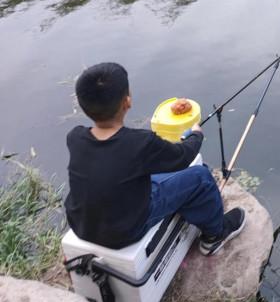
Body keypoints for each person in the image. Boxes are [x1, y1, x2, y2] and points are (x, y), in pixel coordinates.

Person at [65, 62, 245, 255]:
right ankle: (214, 236)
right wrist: (195, 135)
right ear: (127, 102)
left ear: (84, 106)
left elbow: (114, 158)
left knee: (147, 174)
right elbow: (183, 157)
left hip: (82, 226)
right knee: (201, 177)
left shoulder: (75, 137)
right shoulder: (140, 143)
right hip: (127, 230)